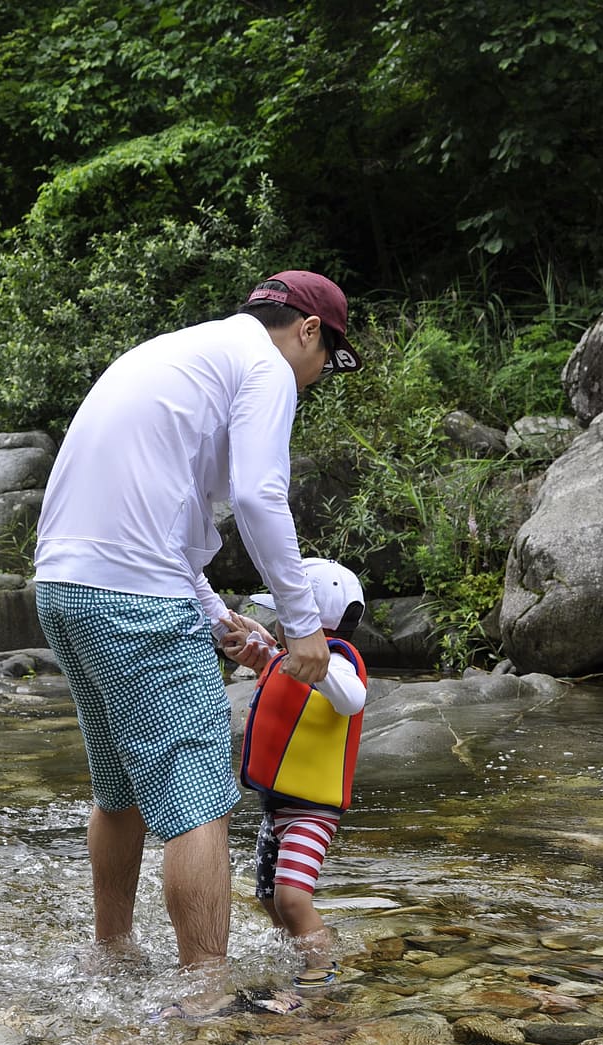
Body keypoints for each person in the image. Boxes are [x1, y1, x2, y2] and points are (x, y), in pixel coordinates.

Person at [32, 271, 363, 1002]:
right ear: (309, 329)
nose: (319, 379)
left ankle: (112, 955)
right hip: (134, 597)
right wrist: (303, 626)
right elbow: (257, 494)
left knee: (120, 792)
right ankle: (204, 993)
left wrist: (218, 619)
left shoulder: (181, 353)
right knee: (198, 799)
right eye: (330, 360)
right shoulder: (265, 367)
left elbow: (171, 538)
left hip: (63, 587)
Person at [223, 557, 367, 987]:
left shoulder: (337, 664)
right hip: (279, 807)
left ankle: (320, 975)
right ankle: (293, 960)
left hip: (311, 812)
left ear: (305, 618)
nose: (276, 622)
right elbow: (287, 672)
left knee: (292, 899)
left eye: (281, 613)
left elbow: (352, 699)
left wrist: (306, 659)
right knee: (269, 899)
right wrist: (260, 651)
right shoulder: (292, 657)